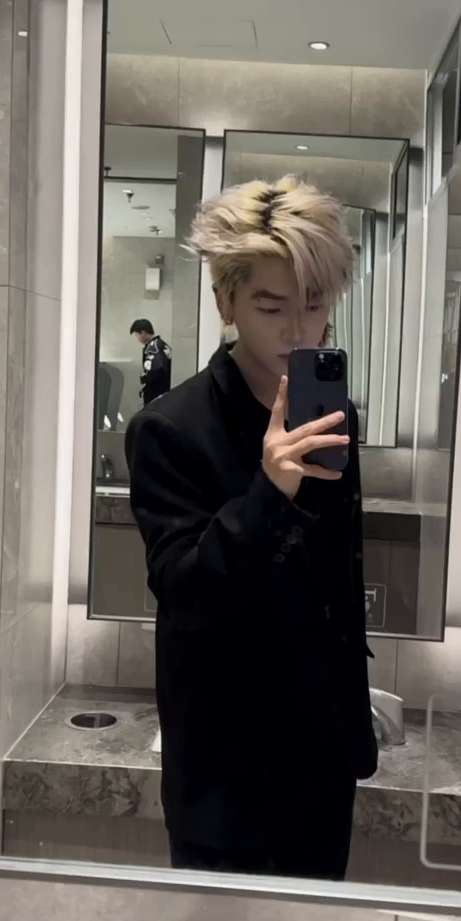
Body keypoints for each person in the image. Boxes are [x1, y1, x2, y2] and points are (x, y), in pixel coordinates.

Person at [125, 176, 377, 880]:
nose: (298, 329)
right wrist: (271, 490)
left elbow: (334, 579)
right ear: (225, 301)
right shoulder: (169, 430)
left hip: (323, 769)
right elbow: (186, 593)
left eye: (315, 304)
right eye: (271, 306)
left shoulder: (334, 417)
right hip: (224, 782)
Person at [130, 319, 172, 405]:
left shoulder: (153, 348)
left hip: (156, 392)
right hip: (166, 390)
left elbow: (155, 369)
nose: (136, 338)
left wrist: (144, 380)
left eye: (137, 335)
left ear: (143, 333)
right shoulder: (162, 344)